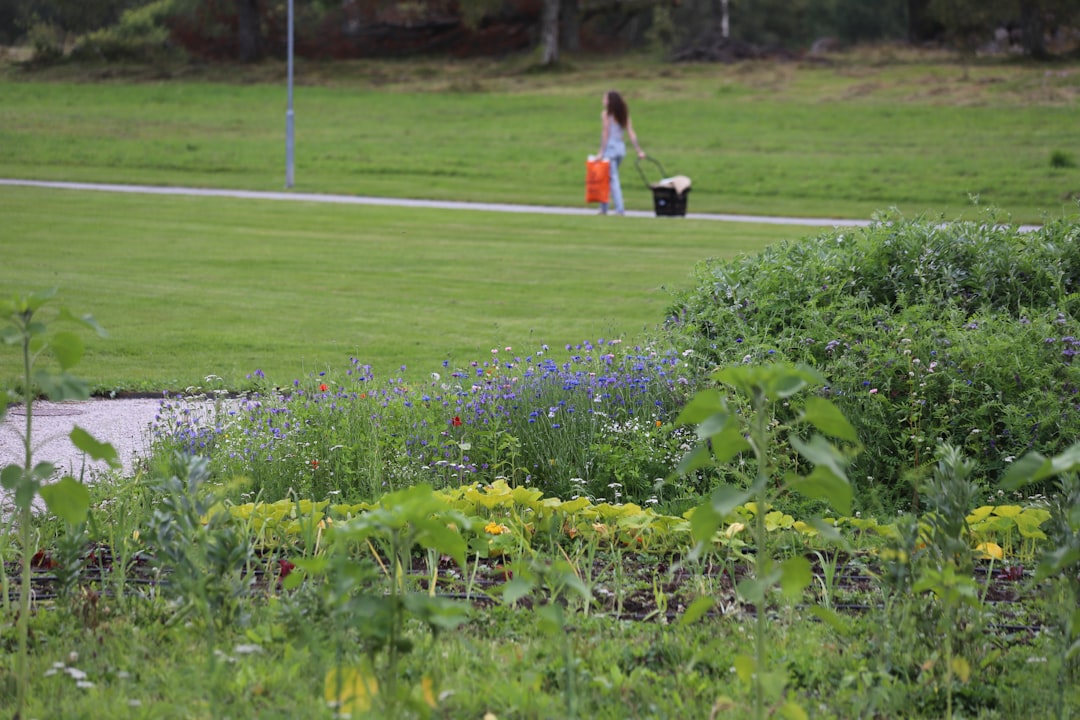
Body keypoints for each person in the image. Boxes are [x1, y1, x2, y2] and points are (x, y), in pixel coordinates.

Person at [597, 90, 645, 216]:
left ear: (610, 101)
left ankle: (619, 209)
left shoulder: (606, 115)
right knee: (607, 177)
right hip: (620, 148)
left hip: (611, 148)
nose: (603, 101)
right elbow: (630, 132)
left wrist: (601, 152)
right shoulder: (623, 114)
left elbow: (605, 133)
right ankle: (603, 208)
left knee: (612, 179)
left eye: (605, 98)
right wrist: (638, 150)